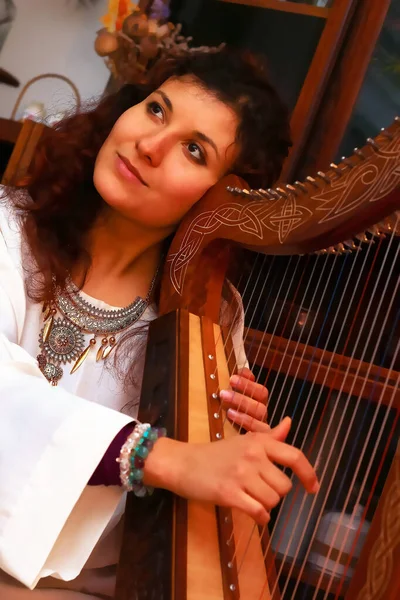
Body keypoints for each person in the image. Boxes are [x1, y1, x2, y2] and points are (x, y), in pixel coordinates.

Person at [0, 49, 319, 598]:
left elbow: (184, 513)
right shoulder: (7, 227)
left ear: (220, 202)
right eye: (156, 110)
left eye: (194, 150)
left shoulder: (209, 318)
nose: (150, 145)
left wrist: (236, 447)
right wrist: (164, 456)